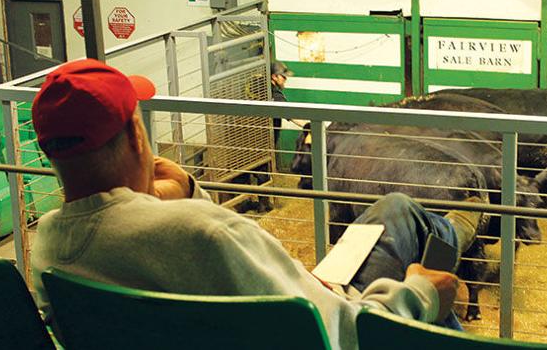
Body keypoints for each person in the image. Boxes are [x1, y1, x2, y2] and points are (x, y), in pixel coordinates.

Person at [29, 59, 479, 350]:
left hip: (264, 315)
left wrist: (186, 192)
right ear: (136, 135)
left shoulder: (49, 246)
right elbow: (342, 334)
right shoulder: (207, 234)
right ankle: (449, 237)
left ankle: (444, 232)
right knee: (403, 220)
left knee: (393, 210)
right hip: (333, 318)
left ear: (49, 153)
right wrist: (419, 295)